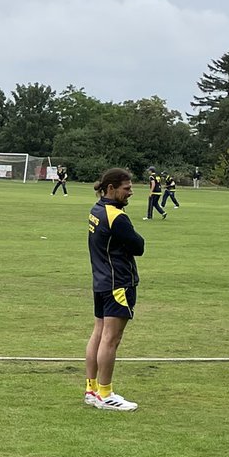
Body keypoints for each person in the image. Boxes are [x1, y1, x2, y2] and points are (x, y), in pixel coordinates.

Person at [85, 168, 145, 411]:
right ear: (111, 188)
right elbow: (139, 246)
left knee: (99, 333)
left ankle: (91, 389)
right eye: (126, 188)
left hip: (101, 281)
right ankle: (105, 394)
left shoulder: (96, 210)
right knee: (111, 339)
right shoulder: (116, 217)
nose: (130, 192)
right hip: (117, 283)